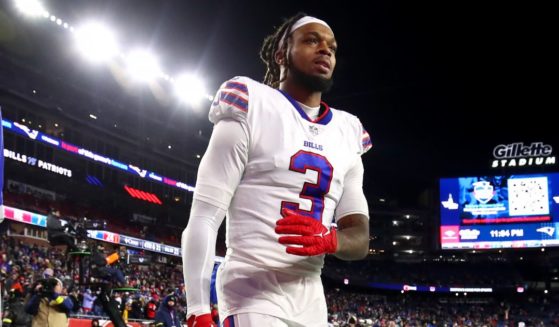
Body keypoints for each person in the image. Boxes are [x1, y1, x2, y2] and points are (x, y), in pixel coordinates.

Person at [182, 13, 371, 327]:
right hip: (251, 290)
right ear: (282, 53)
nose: (326, 50)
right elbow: (204, 216)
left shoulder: (348, 131)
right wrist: (197, 309)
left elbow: (360, 238)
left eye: (332, 47)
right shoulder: (251, 102)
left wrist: (331, 240)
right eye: (312, 40)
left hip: (311, 298)